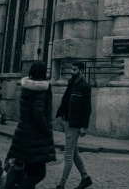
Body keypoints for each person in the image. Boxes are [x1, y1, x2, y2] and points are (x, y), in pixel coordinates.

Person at [7, 60, 56, 188]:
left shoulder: (26, 88)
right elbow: (38, 115)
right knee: (39, 174)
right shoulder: (41, 89)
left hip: (23, 133)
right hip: (35, 138)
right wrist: (47, 131)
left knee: (29, 172)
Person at [55, 61, 93, 189]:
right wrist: (62, 115)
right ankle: (85, 178)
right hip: (68, 122)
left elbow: (87, 109)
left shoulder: (85, 87)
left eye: (75, 69)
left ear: (81, 71)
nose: (72, 71)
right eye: (72, 69)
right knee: (74, 152)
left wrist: (84, 127)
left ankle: (61, 184)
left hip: (75, 124)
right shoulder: (71, 83)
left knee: (68, 154)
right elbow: (66, 101)